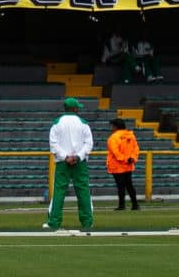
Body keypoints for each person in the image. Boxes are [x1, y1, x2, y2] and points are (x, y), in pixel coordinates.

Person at [43, 96, 94, 233]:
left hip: (62, 163)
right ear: (75, 108)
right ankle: (87, 222)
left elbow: (53, 144)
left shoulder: (56, 123)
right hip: (80, 162)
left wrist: (65, 157)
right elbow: (88, 143)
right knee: (83, 192)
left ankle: (54, 222)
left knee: (59, 192)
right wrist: (78, 156)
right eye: (78, 107)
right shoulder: (83, 123)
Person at [105, 117, 141, 212]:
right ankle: (135, 205)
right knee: (129, 185)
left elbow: (115, 151)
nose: (112, 128)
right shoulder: (131, 136)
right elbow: (136, 149)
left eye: (113, 126)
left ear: (116, 127)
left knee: (120, 186)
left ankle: (122, 205)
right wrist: (131, 158)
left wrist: (123, 159)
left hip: (117, 166)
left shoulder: (114, 137)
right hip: (128, 165)